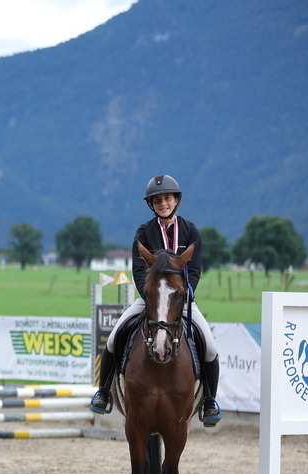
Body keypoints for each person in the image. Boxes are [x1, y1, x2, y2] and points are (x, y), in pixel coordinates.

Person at [89, 174, 221, 426]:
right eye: (158, 200)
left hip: (180, 299)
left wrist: (187, 293)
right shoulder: (144, 232)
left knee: (211, 347)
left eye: (167, 199)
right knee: (115, 338)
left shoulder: (190, 231)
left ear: (176, 200)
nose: (163, 203)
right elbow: (139, 270)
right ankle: (104, 392)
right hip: (150, 298)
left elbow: (194, 269)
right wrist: (148, 295)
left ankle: (209, 401)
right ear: (152, 204)